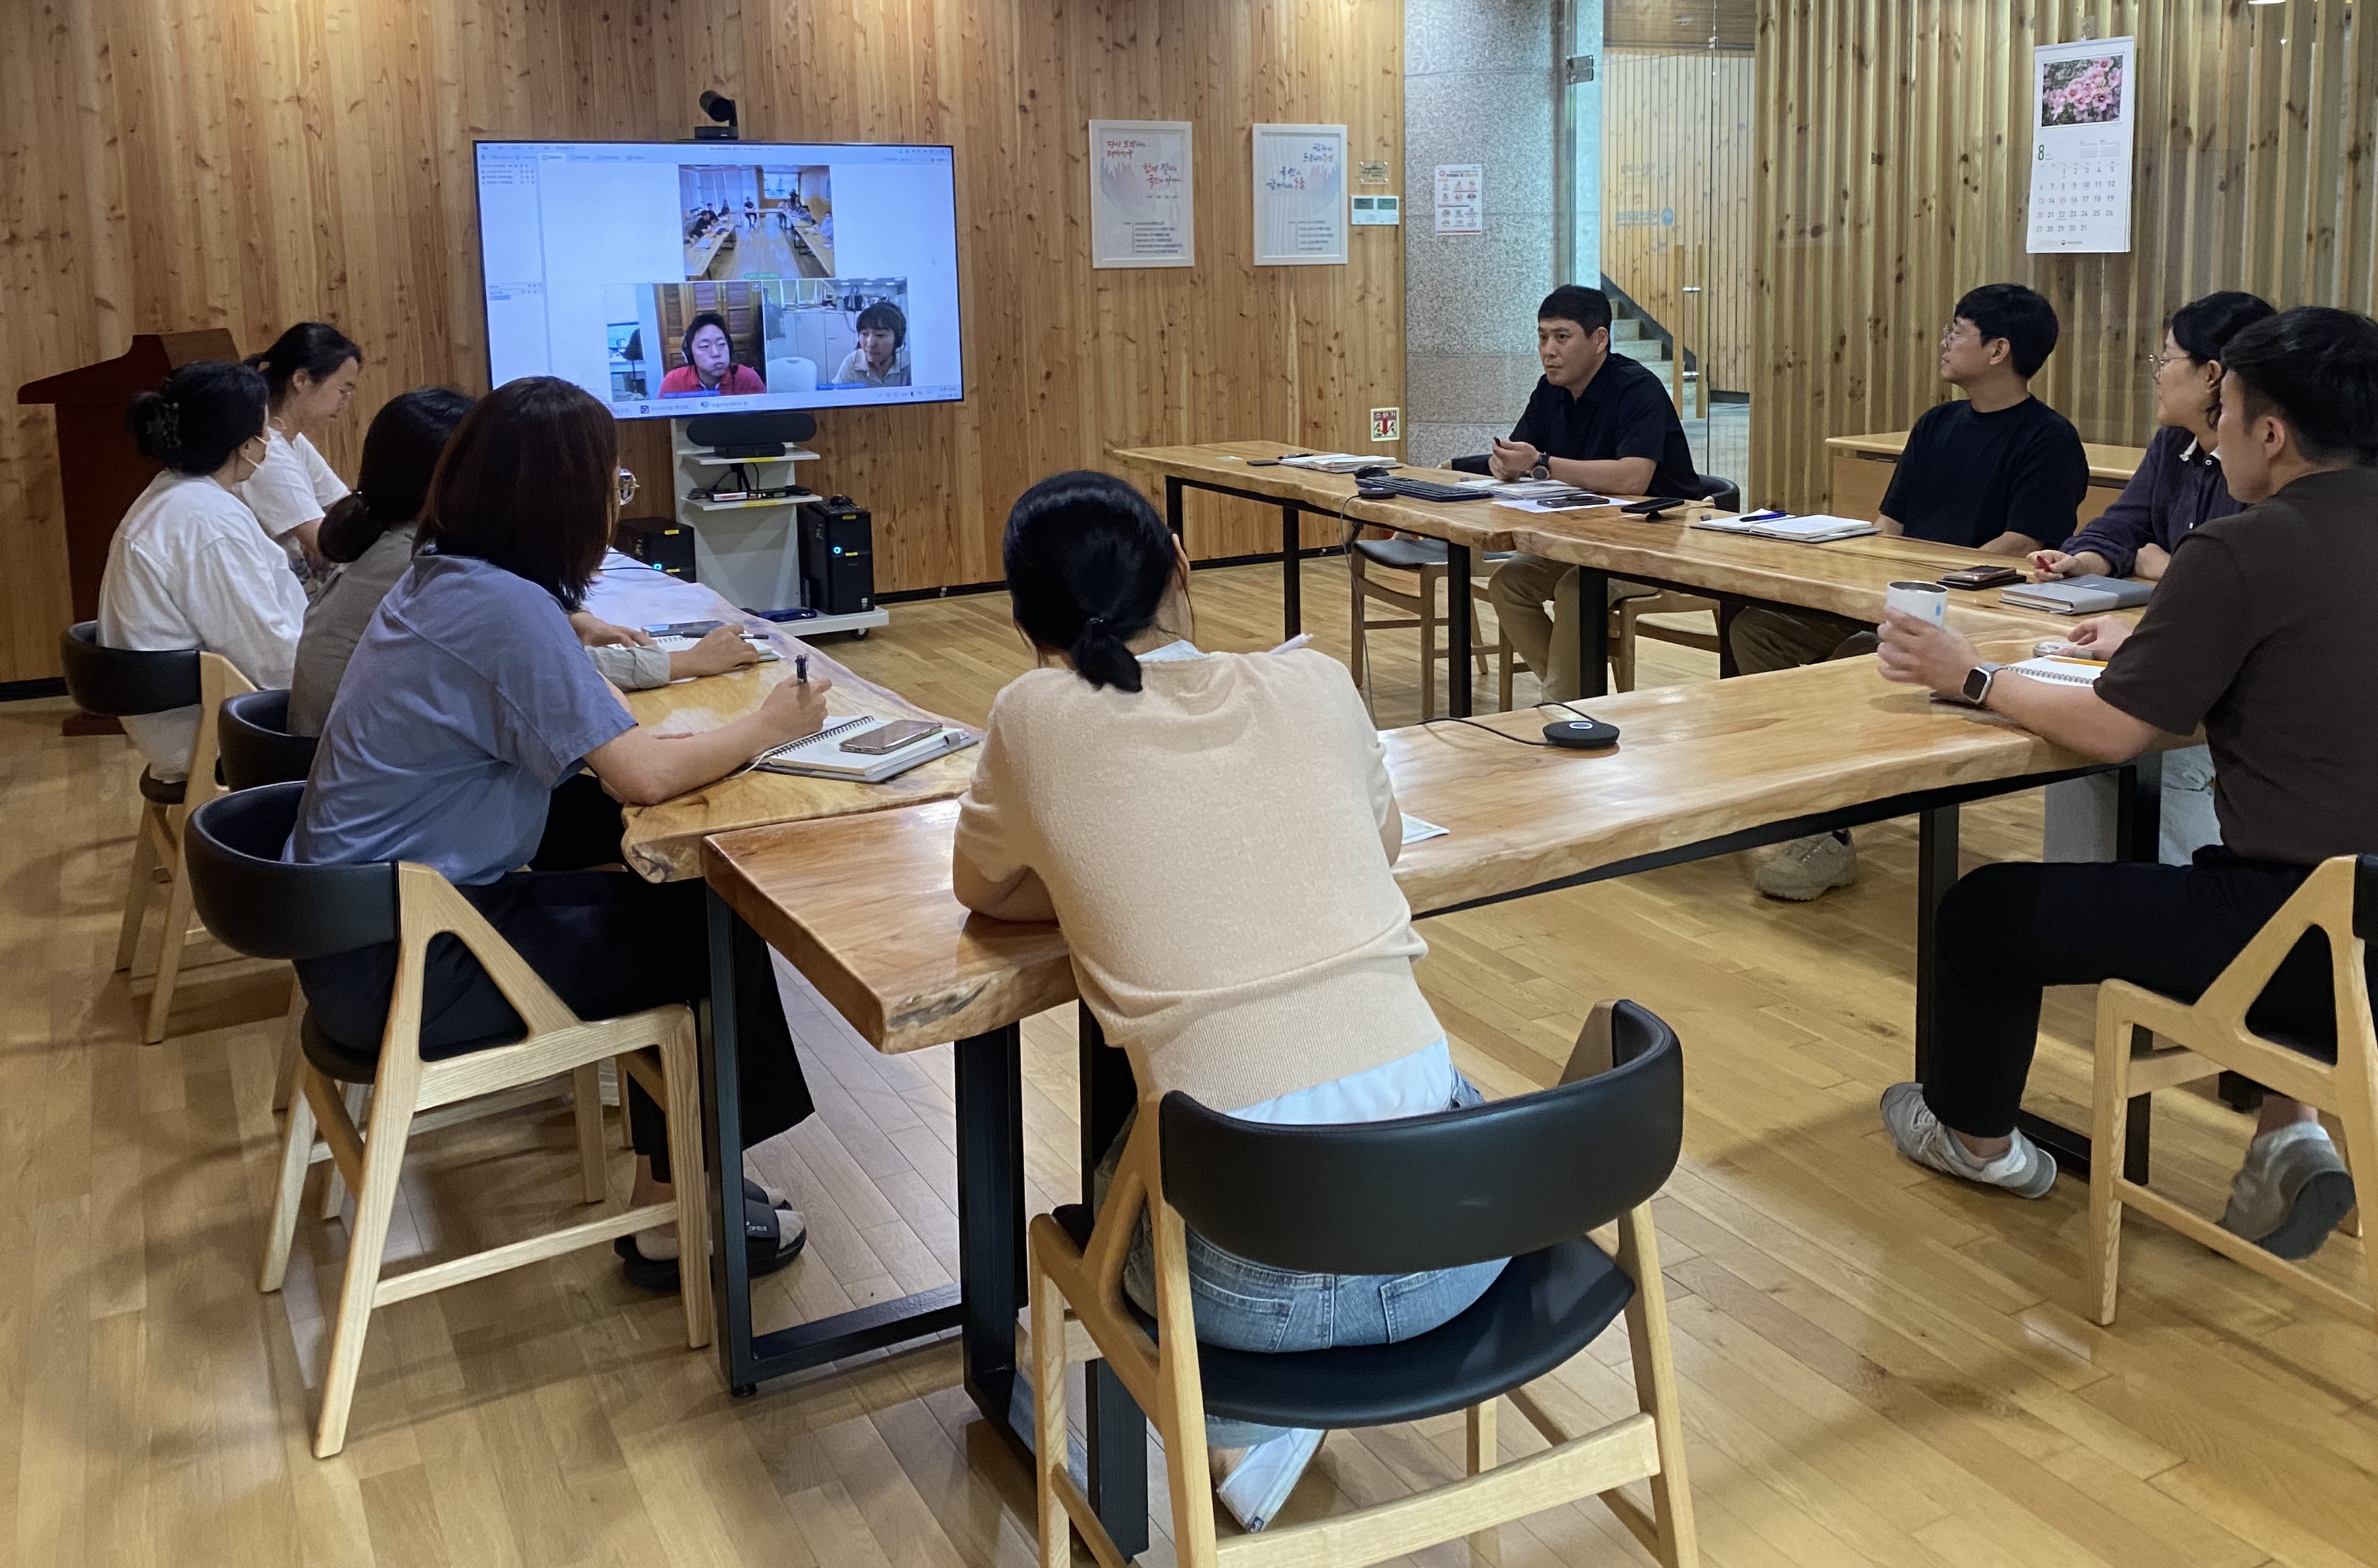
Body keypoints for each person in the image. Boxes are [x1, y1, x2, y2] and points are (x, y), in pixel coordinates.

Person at [1872, 308, 2378, 1258]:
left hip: (2329, 951)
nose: (2211, 431)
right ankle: (2286, 1140)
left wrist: (1968, 674)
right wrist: (2171, 644)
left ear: (2270, 432)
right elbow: (2313, 663)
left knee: (1983, 912)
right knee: (2267, 866)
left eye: (2227, 410)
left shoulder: (2245, 545)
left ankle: (1977, 1140)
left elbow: (2115, 728)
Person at [952, 471, 1502, 1535]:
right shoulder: (1316, 684)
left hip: (1247, 1291)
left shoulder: (1032, 718)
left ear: (1029, 629)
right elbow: (1381, 848)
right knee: (1438, 1083)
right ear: (1184, 568)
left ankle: (1245, 1422)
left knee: (1134, 1154)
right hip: (1463, 1239)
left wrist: (1081, 863)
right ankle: (1284, 1410)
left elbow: (983, 890)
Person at [288, 376, 831, 1290]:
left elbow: (595, 739)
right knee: (707, 920)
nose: (613, 512)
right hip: (408, 961)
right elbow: (642, 772)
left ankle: (681, 1173)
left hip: (353, 933)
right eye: (612, 490)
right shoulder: (502, 608)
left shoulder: (443, 576)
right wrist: (770, 728)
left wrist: (664, 738)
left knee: (632, 858)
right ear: (561, 503)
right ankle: (678, 1206)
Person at [1727, 282, 2088, 902]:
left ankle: (1827, 832)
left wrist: (1927, 585)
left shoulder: (2049, 439)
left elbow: (2021, 547)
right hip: (1897, 600)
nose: (1945, 343)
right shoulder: (1936, 424)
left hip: (1972, 621)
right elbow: (1889, 528)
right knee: (1757, 627)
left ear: (1999, 349)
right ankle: (1797, 791)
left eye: (1958, 331)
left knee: (1862, 655)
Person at [288, 389, 762, 734]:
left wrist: (573, 619)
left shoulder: (408, 549)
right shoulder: (423, 568)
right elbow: (566, 691)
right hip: (396, 852)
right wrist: (689, 663)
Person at [2032, 290, 2275, 866]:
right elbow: (2125, 524)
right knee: (2076, 733)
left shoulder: (2264, 469)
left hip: (2216, 688)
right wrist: (2083, 561)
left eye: (2165, 358)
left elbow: (2230, 580)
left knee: (2112, 734)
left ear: (2213, 374)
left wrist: (2171, 568)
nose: (2157, 374)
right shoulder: (2175, 445)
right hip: (2160, 643)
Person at [1484, 285, 1702, 705]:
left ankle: (1562, 705)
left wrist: (1541, 462)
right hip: (1585, 535)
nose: (1548, 350)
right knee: (1509, 581)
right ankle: (1572, 698)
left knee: (1578, 588)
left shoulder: (1637, 388)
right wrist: (1504, 464)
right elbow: (1521, 454)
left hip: (1658, 537)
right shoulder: (1549, 389)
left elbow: (1633, 478)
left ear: (1599, 339)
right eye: (1542, 337)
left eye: (1561, 337)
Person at [97, 360, 306, 782]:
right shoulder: (206, 521)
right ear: (245, 445)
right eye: (266, 431)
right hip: (206, 733)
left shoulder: (176, 493)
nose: (271, 441)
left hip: (183, 718)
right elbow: (270, 660)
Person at [236, 322, 363, 579]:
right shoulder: (267, 450)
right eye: (343, 391)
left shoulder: (290, 436)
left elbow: (343, 505)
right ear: (301, 379)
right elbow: (327, 544)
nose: (345, 404)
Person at [656, 311, 765, 397]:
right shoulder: (674, 381)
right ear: (689, 353)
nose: (716, 353)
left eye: (721, 344)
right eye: (705, 346)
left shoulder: (748, 378)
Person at [834, 301, 911, 387]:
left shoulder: (908, 363)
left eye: (880, 335)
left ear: (898, 340)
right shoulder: (852, 362)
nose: (870, 344)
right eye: (864, 334)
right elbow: (837, 397)